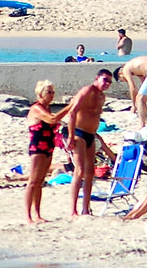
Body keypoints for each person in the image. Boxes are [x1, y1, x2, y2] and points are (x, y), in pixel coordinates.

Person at [25, 80, 71, 224]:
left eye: (52, 92)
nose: (52, 95)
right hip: (38, 147)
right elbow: (53, 119)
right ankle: (28, 216)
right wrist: (70, 106)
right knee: (32, 182)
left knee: (40, 182)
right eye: (48, 92)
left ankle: (37, 214)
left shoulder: (47, 108)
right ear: (40, 94)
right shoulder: (37, 108)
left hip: (48, 147)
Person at [68, 69, 113, 216]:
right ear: (97, 78)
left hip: (91, 135)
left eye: (109, 82)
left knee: (90, 173)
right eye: (104, 80)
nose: (106, 84)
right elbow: (72, 112)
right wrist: (70, 136)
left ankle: (86, 209)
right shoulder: (87, 91)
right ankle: (73, 210)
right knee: (79, 171)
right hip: (79, 133)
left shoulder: (102, 97)